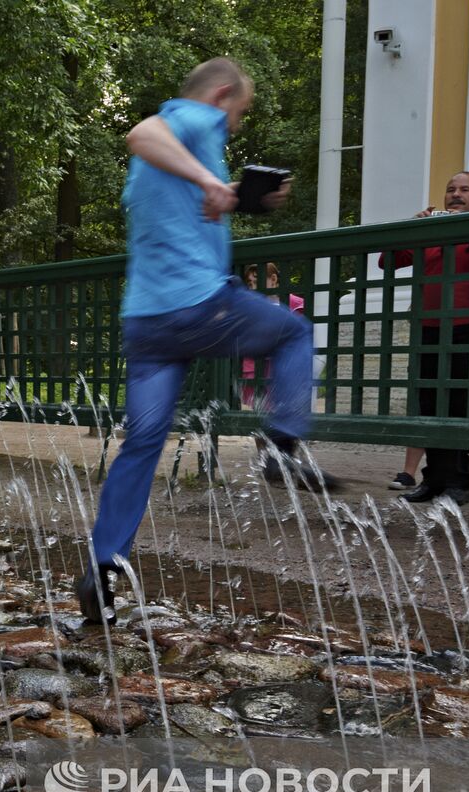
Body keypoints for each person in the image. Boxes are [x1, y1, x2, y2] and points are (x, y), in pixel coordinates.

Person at [76, 57, 334, 625]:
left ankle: (101, 566)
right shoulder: (192, 120)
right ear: (221, 96)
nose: (235, 126)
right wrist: (212, 180)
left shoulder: (165, 165)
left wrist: (235, 193)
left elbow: (181, 205)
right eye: (238, 113)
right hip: (198, 306)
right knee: (293, 332)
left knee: (142, 444)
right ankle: (282, 446)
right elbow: (140, 133)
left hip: (146, 324)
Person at [379, 171, 469, 505]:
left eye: (465, 190)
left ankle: (459, 483)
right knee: (429, 405)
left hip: (468, 329)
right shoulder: (431, 232)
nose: (456, 195)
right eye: (450, 189)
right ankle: (433, 480)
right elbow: (387, 260)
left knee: (461, 406)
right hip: (428, 330)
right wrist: (413, 228)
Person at [239, 263, 306, 410]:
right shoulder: (250, 306)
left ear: (274, 279)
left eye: (256, 282)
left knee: (281, 403)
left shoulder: (295, 304)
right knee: (257, 405)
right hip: (254, 364)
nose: (253, 288)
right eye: (250, 284)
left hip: (282, 363)